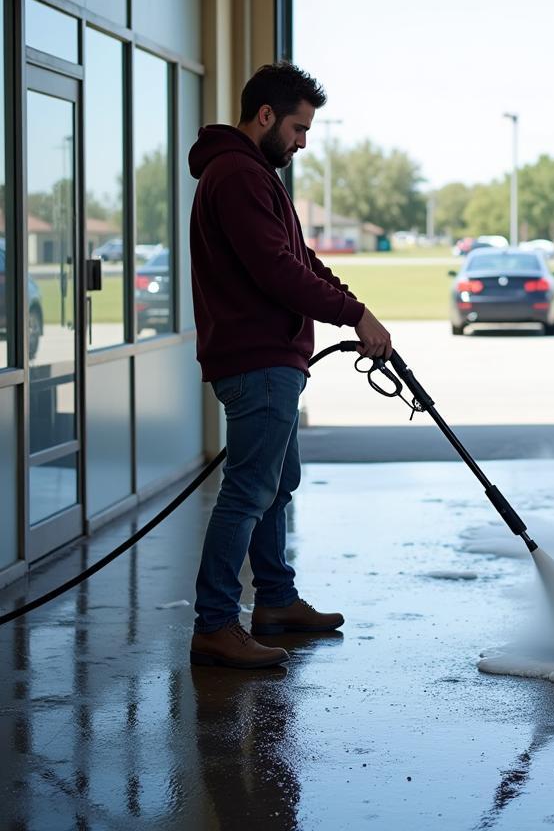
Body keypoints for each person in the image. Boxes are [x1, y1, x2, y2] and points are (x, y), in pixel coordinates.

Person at [187, 61, 392, 669]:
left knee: (275, 487)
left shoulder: (254, 176)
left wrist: (359, 309)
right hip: (258, 362)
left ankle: (275, 601)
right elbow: (277, 273)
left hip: (272, 360)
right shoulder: (238, 176)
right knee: (248, 492)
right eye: (299, 128)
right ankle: (215, 625)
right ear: (266, 115)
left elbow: (299, 259)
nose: (303, 142)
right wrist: (353, 318)